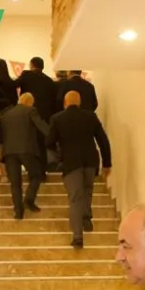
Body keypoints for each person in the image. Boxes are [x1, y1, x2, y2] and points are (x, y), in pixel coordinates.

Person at [47, 90, 112, 248]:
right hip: (90, 161)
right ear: (80, 102)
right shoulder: (90, 117)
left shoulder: (57, 118)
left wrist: (58, 157)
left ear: (65, 103)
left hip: (71, 163)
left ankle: (77, 237)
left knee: (75, 197)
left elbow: (49, 142)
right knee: (87, 190)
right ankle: (86, 216)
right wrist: (107, 163)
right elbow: (103, 140)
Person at [0, 92, 49, 219]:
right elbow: (42, 126)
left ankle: (18, 212)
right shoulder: (30, 111)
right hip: (27, 150)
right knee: (36, 175)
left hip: (9, 151)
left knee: (15, 183)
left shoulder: (6, 114)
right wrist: (53, 136)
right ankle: (29, 199)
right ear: (29, 102)